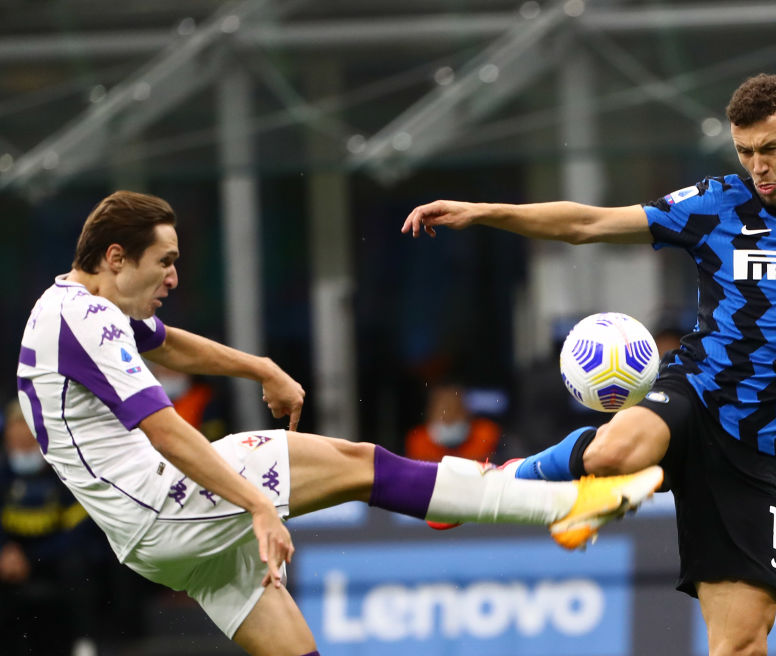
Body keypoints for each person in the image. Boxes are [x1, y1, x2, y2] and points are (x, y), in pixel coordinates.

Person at [402, 20, 776, 656]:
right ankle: (498, 480)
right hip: (695, 394)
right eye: (744, 152)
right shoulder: (714, 207)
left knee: (741, 642)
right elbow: (588, 223)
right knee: (614, 452)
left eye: (770, 149)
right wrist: (485, 213)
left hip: (755, 449)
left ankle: (588, 494)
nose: (757, 167)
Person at [15, 190, 664, 656]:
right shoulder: (88, 319)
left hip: (154, 540)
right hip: (167, 503)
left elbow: (166, 343)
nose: (176, 277)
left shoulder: (67, 306)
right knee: (363, 465)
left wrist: (260, 367)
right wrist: (256, 507)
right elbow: (166, 430)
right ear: (117, 257)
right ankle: (561, 505)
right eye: (166, 262)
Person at [1, 400, 106, 656]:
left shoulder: (66, 472)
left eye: (29, 443)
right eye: (17, 444)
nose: (23, 450)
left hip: (55, 556)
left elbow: (78, 531)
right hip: (10, 557)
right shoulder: (3, 473)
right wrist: (4, 551)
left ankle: (85, 642)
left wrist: (32, 558)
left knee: (79, 564)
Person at [405, 381, 501, 462]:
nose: (449, 418)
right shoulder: (418, 440)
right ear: (430, 413)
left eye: (455, 410)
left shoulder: (485, 435)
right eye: (442, 411)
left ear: (466, 411)